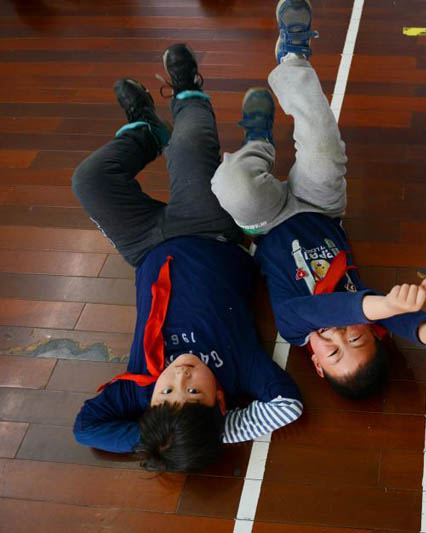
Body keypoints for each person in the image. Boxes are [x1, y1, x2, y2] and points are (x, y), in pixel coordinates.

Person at [210, 0, 426, 399]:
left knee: (233, 186)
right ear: (373, 331)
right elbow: (400, 319)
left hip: (267, 224)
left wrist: (384, 307)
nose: (340, 335)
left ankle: (258, 140)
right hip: (320, 209)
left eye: (333, 352)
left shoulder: (294, 326)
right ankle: (293, 57)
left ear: (316, 363)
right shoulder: (369, 310)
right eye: (357, 339)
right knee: (325, 149)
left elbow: (333, 310)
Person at [71, 43, 303, 472]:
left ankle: (145, 131)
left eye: (167, 394)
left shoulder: (139, 389)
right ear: (220, 402)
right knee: (189, 146)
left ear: (151, 405)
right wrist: (208, 432)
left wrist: (163, 439)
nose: (179, 377)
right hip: (210, 232)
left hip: (145, 247)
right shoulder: (241, 371)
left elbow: (85, 428)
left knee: (89, 181)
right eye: (194, 393)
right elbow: (288, 404)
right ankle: (187, 91)